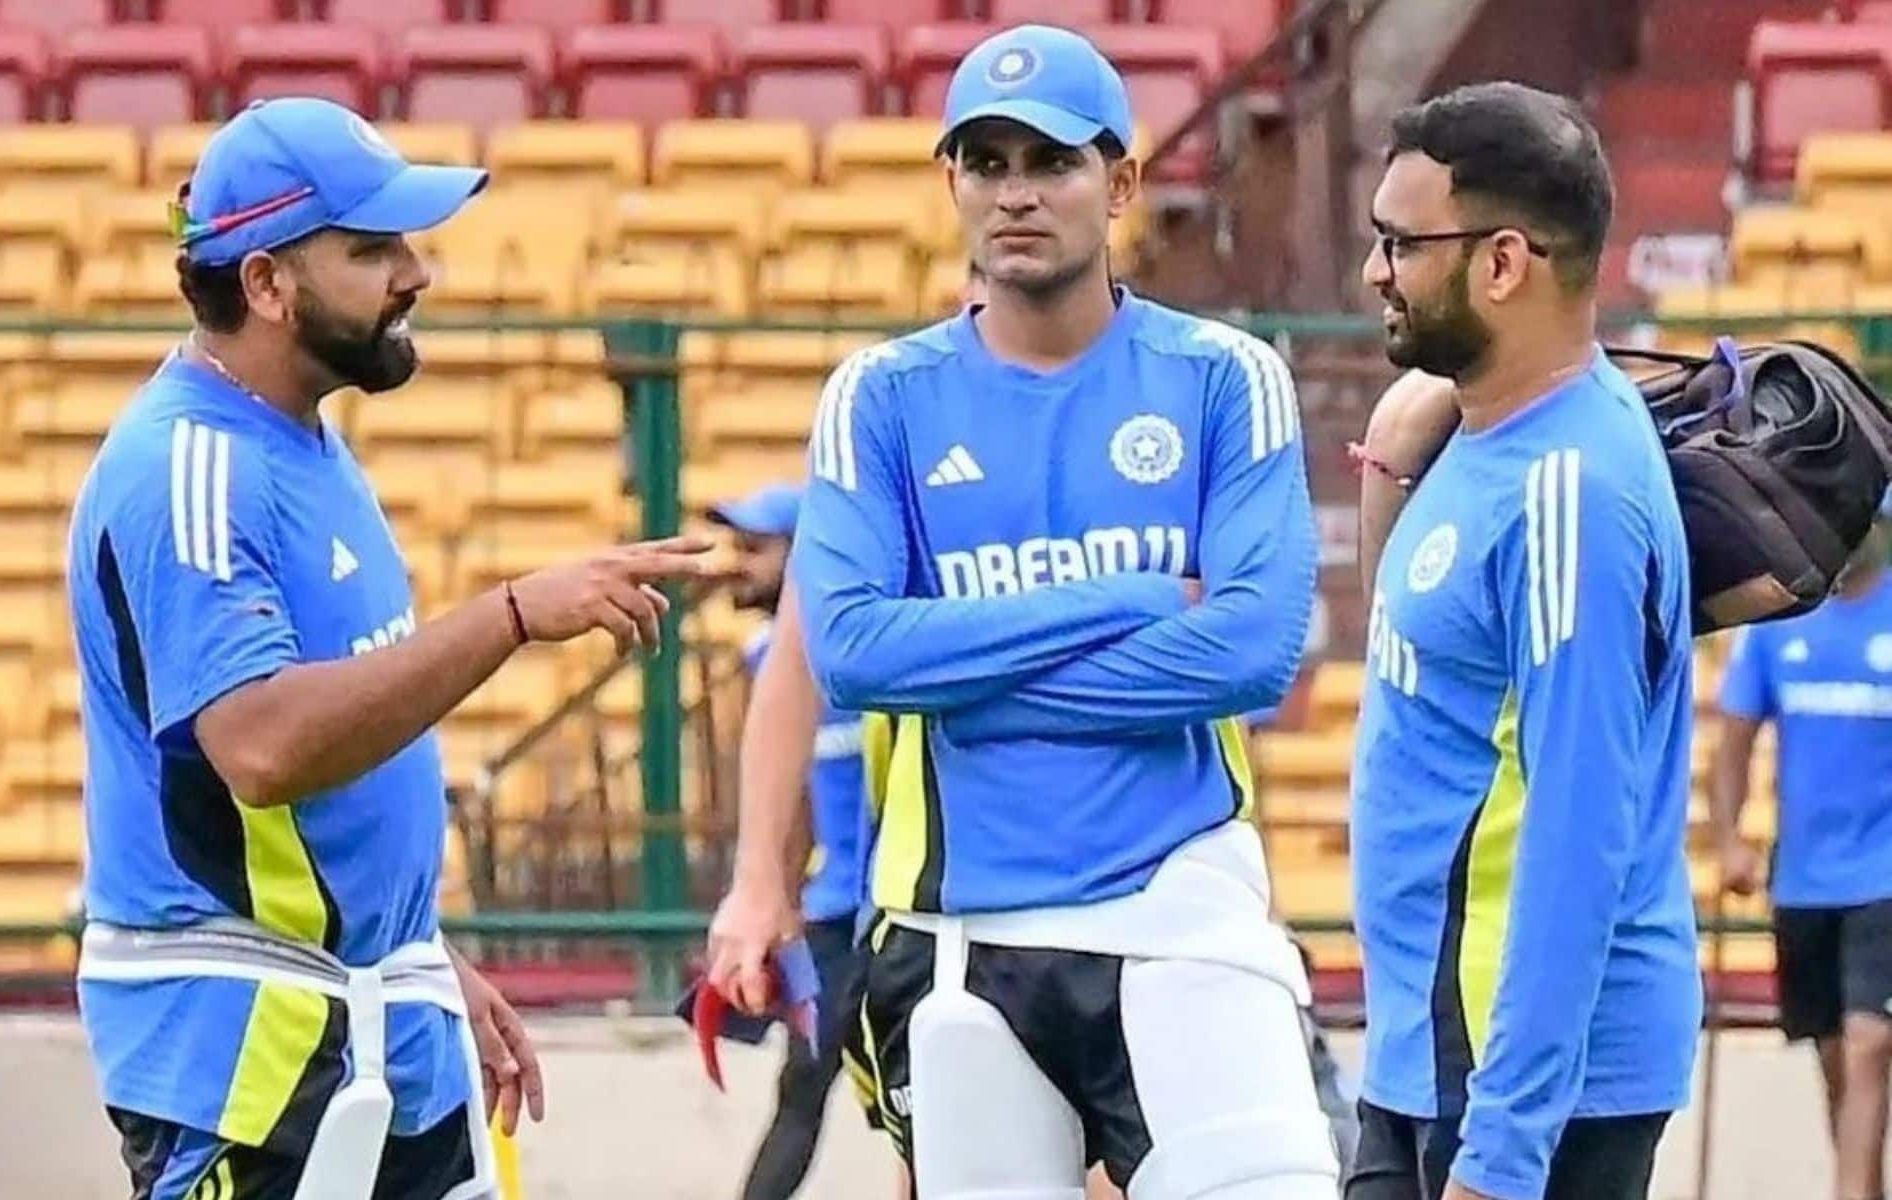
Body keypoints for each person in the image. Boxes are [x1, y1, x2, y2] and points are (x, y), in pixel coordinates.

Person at [724, 22, 1338, 1199]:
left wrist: (968, 685)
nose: (1016, 192)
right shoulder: (880, 398)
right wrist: (1140, 599)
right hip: (969, 931)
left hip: (1180, 904)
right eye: (986, 162)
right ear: (949, 182)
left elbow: (1255, 649)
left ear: (1121, 184)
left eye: (1050, 162)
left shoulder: (1224, 376)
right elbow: (850, 652)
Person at [67, 97, 712, 1200]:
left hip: (375, 1032)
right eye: (371, 251)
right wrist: (510, 613)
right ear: (266, 284)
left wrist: (427, 955)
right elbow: (262, 747)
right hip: (256, 1069)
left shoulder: (301, 439)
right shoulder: (189, 470)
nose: (414, 272)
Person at [1346, 82, 1702, 1200]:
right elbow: (1423, 680)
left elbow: (1576, 830)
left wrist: (1503, 1150)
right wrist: (1396, 472)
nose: (1375, 273)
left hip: (1518, 1090)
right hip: (1428, 1053)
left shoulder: (1570, 489)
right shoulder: (1479, 437)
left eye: (1401, 243)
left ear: (1503, 264)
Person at [1712, 500, 1892, 1200]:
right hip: (1806, 879)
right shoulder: (1778, 625)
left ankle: (1849, 1193)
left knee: (1871, 1041)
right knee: (1837, 1054)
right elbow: (1733, 739)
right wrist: (1729, 840)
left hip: (1885, 875)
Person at [709, 484, 878, 1200]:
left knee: (923, 1102)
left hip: (897, 910)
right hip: (838, 912)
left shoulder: (864, 642)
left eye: (755, 549)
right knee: (808, 1092)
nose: (736, 565)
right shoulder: (766, 656)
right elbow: (794, 800)